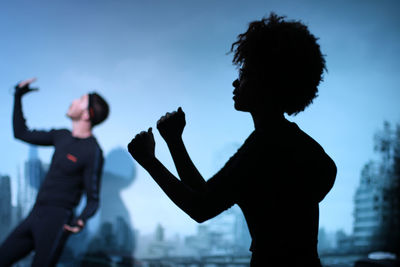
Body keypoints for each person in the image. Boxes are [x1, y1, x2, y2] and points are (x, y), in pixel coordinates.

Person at [127, 13, 337, 267]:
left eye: (246, 74)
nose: (236, 82)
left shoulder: (264, 148)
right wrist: (174, 142)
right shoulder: (300, 146)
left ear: (267, 83)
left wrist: (149, 160)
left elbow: (200, 207)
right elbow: (208, 195)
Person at [0, 78, 109, 266]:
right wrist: (18, 96)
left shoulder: (93, 152)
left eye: (80, 99)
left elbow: (93, 199)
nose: (73, 101)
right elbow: (21, 133)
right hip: (35, 213)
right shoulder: (61, 136)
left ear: (86, 114)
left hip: (57, 220)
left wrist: (81, 220)